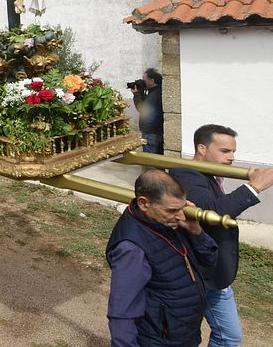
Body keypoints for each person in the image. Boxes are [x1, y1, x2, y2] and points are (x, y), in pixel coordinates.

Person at [171, 125, 273, 347]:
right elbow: (211, 211)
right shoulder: (185, 174)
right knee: (189, 336)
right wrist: (253, 187)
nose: (232, 158)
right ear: (202, 148)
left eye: (233, 152)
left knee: (229, 336)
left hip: (215, 274)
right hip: (199, 274)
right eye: (225, 151)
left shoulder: (209, 174)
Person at [106, 169, 218, 346]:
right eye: (172, 210)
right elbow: (122, 313)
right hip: (159, 340)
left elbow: (209, 260)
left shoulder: (168, 220)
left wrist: (196, 231)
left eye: (182, 208)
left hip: (183, 334)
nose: (181, 215)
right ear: (144, 204)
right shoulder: (131, 247)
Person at [131, 68, 164, 155]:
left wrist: (137, 94)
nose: (142, 82)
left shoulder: (155, 94)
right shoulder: (156, 92)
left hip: (152, 134)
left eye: (144, 80)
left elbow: (142, 109)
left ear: (152, 81)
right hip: (155, 132)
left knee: (152, 163)